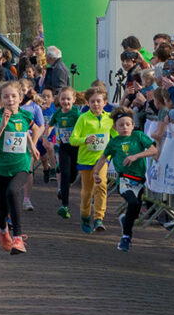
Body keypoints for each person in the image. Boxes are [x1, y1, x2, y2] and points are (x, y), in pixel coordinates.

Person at [0, 81, 41, 254]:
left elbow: (31, 129)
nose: (10, 100)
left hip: (21, 165)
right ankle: (2, 228)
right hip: (1, 167)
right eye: (6, 97)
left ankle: (18, 238)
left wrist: (32, 146)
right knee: (2, 209)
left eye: (14, 96)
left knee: (12, 192)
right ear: (1, 99)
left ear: (20, 98)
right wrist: (2, 125)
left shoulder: (25, 115)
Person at [94, 107, 157, 252]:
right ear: (115, 127)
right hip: (124, 180)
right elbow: (103, 157)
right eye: (121, 125)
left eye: (128, 124)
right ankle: (126, 238)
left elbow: (154, 150)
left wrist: (136, 156)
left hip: (139, 180)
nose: (125, 128)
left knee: (134, 210)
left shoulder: (138, 136)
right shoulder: (114, 142)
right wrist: (96, 173)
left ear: (133, 125)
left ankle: (125, 220)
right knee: (133, 202)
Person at [69, 88, 113, 233]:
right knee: (87, 191)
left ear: (105, 102)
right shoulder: (83, 118)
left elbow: (116, 136)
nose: (96, 104)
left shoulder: (109, 119)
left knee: (101, 186)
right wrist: (85, 140)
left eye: (99, 101)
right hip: (85, 159)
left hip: (101, 159)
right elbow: (73, 139)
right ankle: (85, 215)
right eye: (92, 101)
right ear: (88, 103)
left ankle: (99, 218)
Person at [49, 87, 81, 218]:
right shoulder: (57, 113)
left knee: (72, 176)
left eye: (68, 99)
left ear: (74, 100)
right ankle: (65, 206)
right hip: (63, 147)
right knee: (65, 175)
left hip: (76, 147)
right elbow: (50, 125)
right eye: (63, 99)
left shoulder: (77, 113)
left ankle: (62, 170)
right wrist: (45, 137)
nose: (65, 101)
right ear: (59, 100)